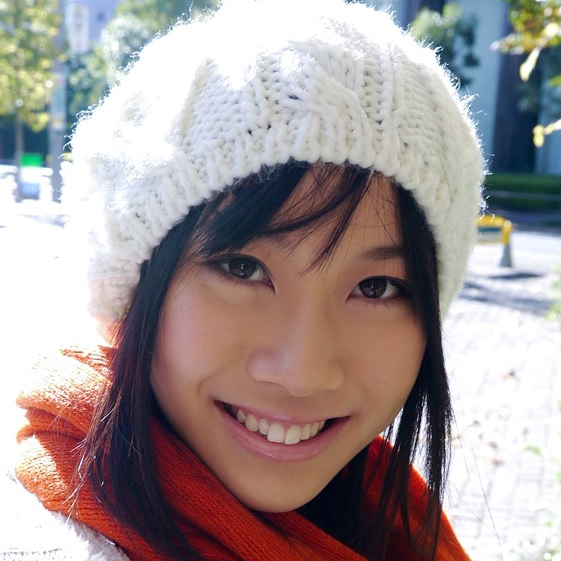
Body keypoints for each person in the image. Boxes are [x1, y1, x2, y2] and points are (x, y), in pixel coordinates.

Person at [2, 0, 485, 559]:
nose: (303, 373)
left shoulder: (396, 525)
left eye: (375, 287)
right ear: (131, 288)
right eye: (243, 268)